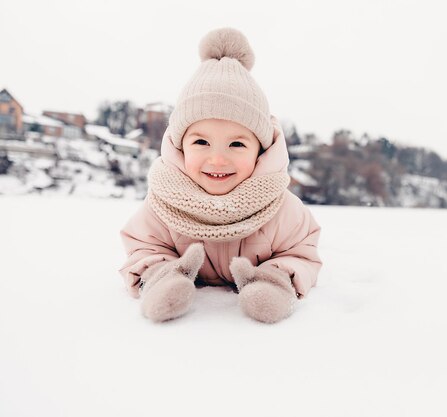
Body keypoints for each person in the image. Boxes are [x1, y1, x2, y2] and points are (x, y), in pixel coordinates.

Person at [119, 28, 322, 324]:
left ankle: (271, 289)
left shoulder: (281, 207)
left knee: (276, 280)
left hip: (254, 315)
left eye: (237, 144)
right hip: (182, 310)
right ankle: (163, 284)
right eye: (201, 142)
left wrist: (277, 274)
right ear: (180, 147)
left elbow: (301, 251)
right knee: (159, 274)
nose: (217, 159)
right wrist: (159, 270)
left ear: (260, 150)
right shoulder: (163, 202)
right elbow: (143, 246)